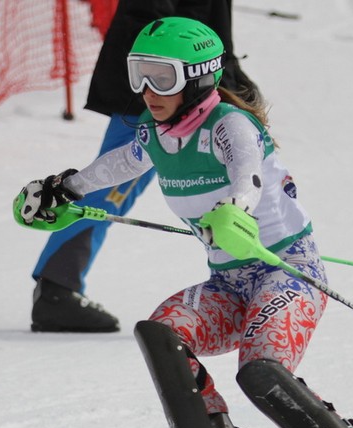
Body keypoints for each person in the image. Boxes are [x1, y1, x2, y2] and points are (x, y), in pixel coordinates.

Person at [15, 17, 353, 428]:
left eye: (162, 76)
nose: (148, 89)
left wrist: (237, 211)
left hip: (289, 273)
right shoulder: (158, 133)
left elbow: (247, 175)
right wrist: (67, 190)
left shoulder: (229, 126)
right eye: (139, 73)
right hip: (229, 285)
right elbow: (121, 164)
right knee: (162, 332)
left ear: (199, 77)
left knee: (260, 371)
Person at [30, 0, 261, 332]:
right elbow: (150, 18)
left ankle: (252, 284)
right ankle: (57, 289)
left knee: (228, 180)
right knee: (111, 185)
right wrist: (165, 78)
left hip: (185, 88)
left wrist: (225, 74)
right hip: (160, 95)